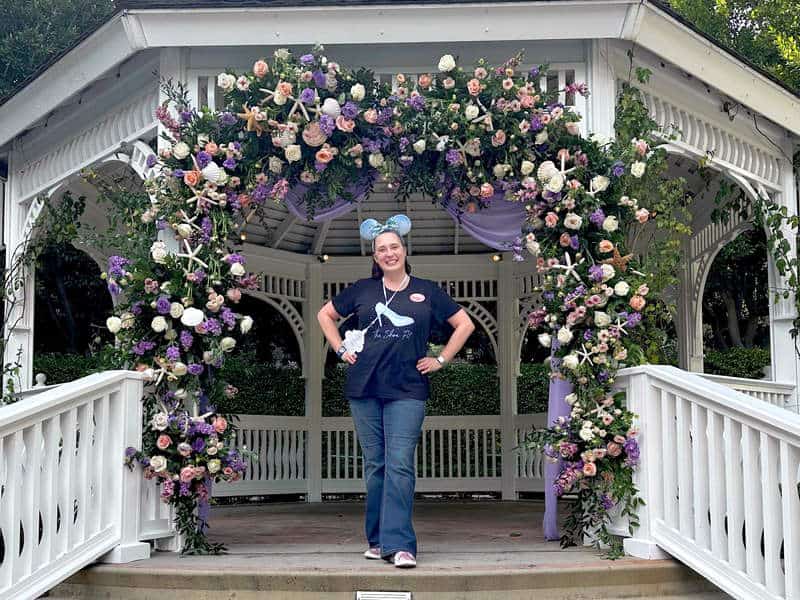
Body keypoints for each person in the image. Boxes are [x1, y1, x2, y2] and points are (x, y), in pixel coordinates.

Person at [317, 215, 475, 568]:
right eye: (381, 249)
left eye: (394, 247)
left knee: (400, 465)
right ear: (375, 257)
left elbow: (465, 323)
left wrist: (442, 359)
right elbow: (324, 315)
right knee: (376, 466)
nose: (389, 253)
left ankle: (401, 545)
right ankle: (377, 539)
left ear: (404, 250)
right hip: (364, 387)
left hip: (408, 389)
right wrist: (341, 348)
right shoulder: (362, 289)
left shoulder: (427, 290)